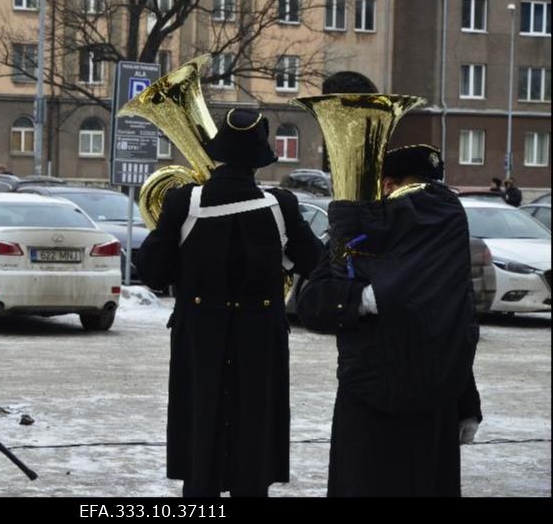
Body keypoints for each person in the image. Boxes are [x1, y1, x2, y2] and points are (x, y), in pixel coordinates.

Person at [136, 109, 322, 497]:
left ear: (218, 150)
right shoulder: (281, 205)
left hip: (200, 336)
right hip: (260, 338)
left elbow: (152, 273)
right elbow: (315, 263)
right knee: (254, 426)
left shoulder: (183, 200)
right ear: (259, 158)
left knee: (201, 421)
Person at [297, 144, 483, 497]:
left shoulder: (365, 227)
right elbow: (463, 325)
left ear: (385, 184)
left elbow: (455, 321)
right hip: (415, 401)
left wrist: (465, 401)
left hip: (381, 400)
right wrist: (362, 299)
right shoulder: (361, 231)